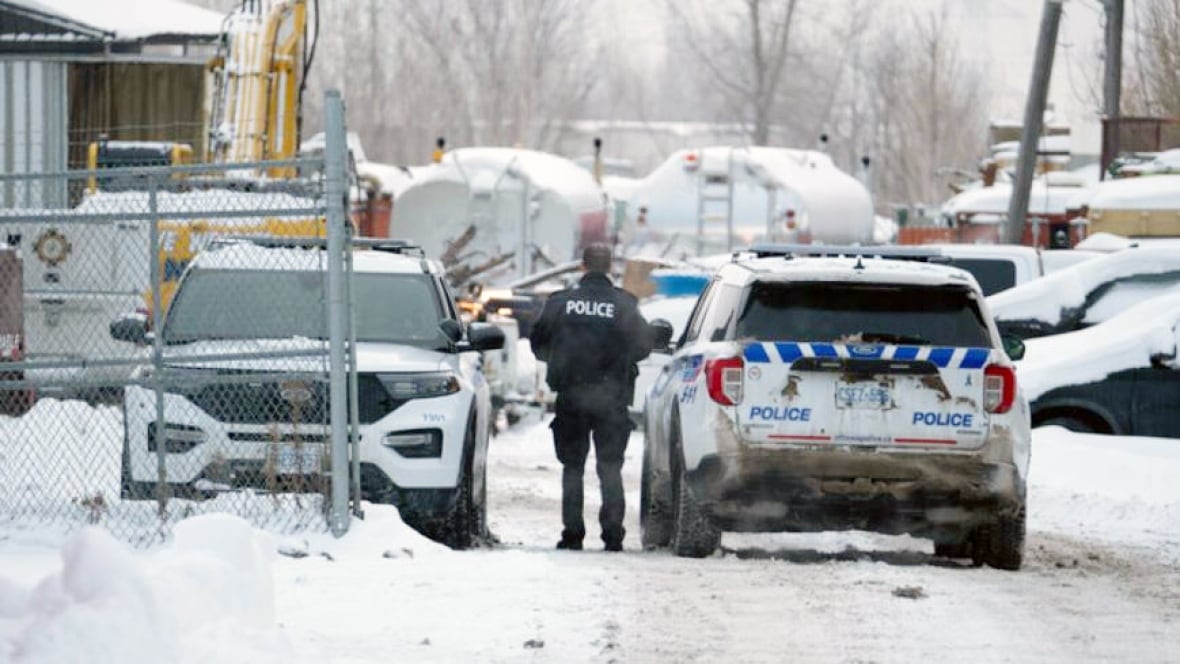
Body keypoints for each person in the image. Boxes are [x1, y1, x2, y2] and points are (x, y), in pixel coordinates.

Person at [529, 243, 653, 552]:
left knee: (573, 468)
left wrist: (563, 359)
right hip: (611, 398)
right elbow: (644, 346)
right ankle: (613, 536)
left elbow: (538, 344)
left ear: (582, 267)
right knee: (609, 467)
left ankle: (572, 535)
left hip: (571, 396)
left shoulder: (560, 303)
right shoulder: (624, 305)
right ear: (610, 267)